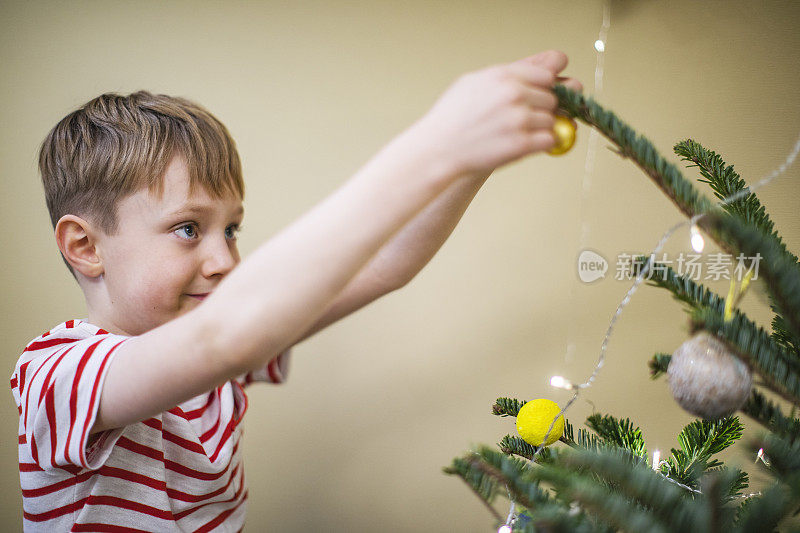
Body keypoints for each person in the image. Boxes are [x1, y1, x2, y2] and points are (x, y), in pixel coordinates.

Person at [11, 50, 582, 531]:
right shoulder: (56, 375)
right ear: (86, 246)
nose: (224, 260)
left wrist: (471, 162)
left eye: (230, 230)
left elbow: (383, 265)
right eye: (189, 228)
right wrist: (436, 145)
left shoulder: (222, 340)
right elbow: (224, 338)